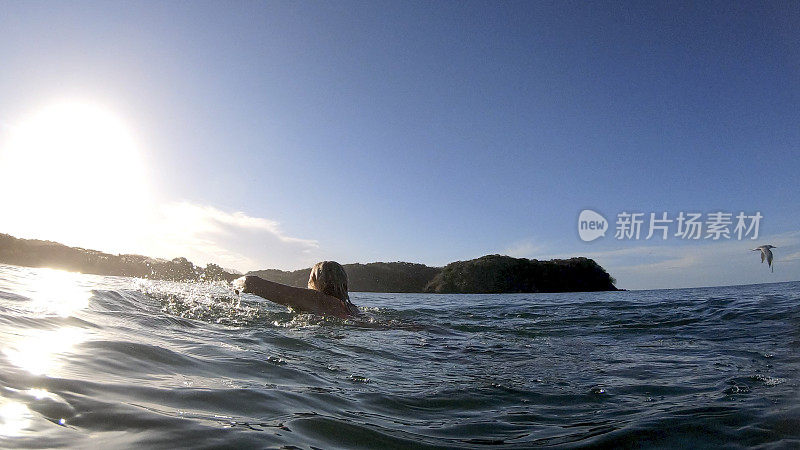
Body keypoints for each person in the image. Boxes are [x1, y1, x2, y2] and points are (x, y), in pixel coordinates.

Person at [237, 261, 359, 318]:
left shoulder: (316, 299)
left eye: (310, 279)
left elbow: (251, 282)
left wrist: (234, 283)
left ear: (318, 282)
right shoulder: (351, 309)